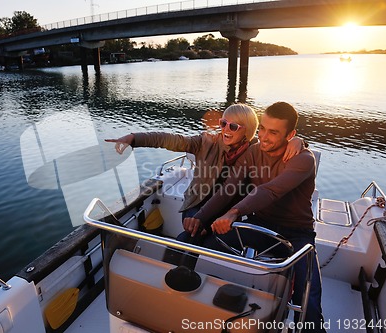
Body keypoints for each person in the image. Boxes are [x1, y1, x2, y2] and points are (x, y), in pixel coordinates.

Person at [186, 101, 326, 332]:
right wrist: (200, 218)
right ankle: (181, 291)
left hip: (297, 234)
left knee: (309, 294)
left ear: (291, 135)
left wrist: (233, 213)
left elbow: (270, 190)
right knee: (193, 236)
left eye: (273, 132)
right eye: (262, 128)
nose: (264, 137)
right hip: (259, 224)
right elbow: (227, 189)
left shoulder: (303, 159)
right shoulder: (253, 151)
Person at [105, 104, 304, 237]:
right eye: (223, 123)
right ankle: (182, 276)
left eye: (233, 126)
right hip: (198, 203)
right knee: (195, 231)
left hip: (231, 209)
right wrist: (134, 138)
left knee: (213, 234)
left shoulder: (256, 149)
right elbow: (170, 139)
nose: (225, 129)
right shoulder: (207, 142)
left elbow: (280, 144)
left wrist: (299, 141)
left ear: (249, 130)